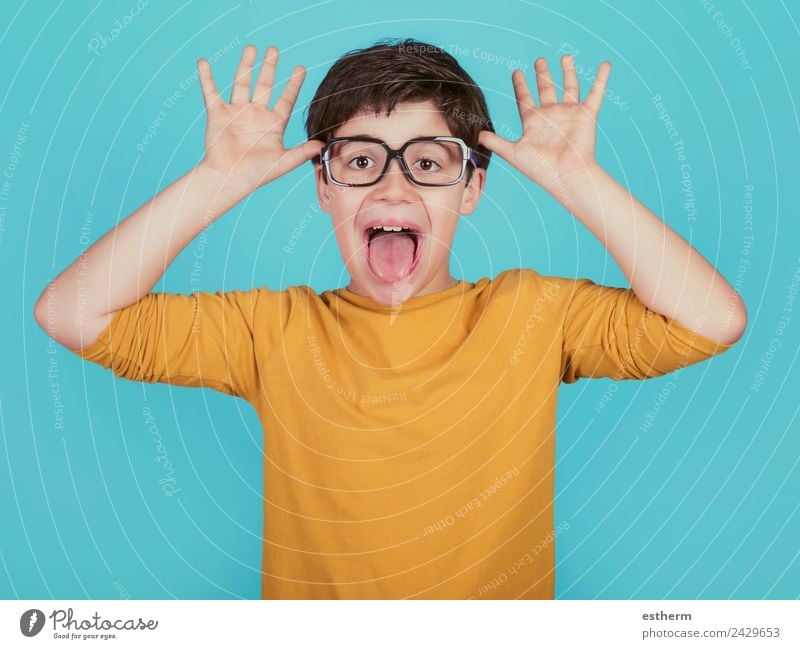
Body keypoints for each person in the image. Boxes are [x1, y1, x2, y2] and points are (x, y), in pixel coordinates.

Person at [34, 38, 746, 599]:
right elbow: (70, 310)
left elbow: (711, 318)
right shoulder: (271, 330)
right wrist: (217, 179)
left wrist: (578, 179)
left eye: (430, 163)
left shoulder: (535, 313)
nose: (395, 183)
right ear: (323, 186)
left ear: (472, 188)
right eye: (362, 160)